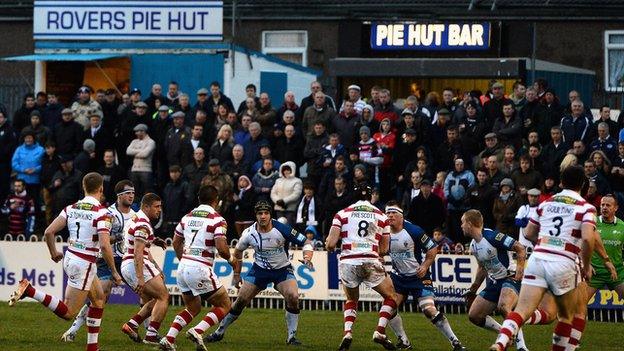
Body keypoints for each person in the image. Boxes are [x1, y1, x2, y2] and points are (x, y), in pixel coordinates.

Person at [8, 172, 121, 351]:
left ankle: (93, 347)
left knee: (99, 299)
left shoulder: (71, 208)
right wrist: (114, 272)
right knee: (69, 313)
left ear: (84, 188)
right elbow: (105, 246)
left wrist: (53, 253)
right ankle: (30, 290)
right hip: (84, 263)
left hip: (72, 256)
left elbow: (48, 232)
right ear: (101, 188)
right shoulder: (102, 213)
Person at [490, 165, 596, 351]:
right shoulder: (585, 207)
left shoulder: (546, 203)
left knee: (521, 311)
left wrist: (547, 241)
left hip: (537, 259)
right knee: (566, 316)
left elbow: (529, 232)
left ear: (561, 182)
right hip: (563, 263)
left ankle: (500, 343)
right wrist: (586, 265)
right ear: (582, 183)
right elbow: (587, 238)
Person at [205, 200, 314, 345]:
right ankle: (219, 333)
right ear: (255, 215)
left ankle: (291, 337)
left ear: (270, 215)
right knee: (240, 302)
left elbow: (306, 242)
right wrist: (237, 274)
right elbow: (237, 252)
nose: (263, 216)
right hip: (259, 270)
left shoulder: (282, 228)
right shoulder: (249, 233)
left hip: (282, 270)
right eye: (260, 213)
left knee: (293, 297)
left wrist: (307, 256)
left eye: (266, 213)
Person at [61, 180, 139, 342]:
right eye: (127, 193)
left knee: (146, 291)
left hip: (127, 259)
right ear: (119, 196)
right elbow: (102, 240)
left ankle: (146, 331)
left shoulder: (135, 215)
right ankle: (73, 330)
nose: (131, 195)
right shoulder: (108, 214)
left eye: (133, 192)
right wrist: (117, 237)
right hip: (107, 260)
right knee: (100, 297)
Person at [160, 185, 234, 350]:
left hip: (183, 267)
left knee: (193, 307)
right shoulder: (217, 219)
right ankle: (198, 330)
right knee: (224, 305)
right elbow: (222, 248)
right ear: (216, 201)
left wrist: (184, 260)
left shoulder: (187, 217)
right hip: (200, 267)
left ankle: (169, 338)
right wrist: (231, 259)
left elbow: (176, 241)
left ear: (199, 199)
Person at [384, 201, 466, 350]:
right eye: (387, 212)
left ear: (401, 215)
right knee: (389, 309)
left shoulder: (414, 231)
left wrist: (425, 265)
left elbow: (432, 248)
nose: (390, 215)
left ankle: (455, 342)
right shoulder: (383, 231)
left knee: (429, 309)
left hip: (418, 277)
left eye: (393, 212)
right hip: (398, 277)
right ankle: (404, 341)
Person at [325, 185, 398, 350]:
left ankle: (348, 333)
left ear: (353, 196)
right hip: (370, 260)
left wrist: (329, 245)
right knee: (391, 297)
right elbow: (385, 249)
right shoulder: (381, 216)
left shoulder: (342, 214)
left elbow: (330, 244)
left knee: (351, 300)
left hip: (348, 262)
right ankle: (379, 331)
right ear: (371, 197)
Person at [461, 209, 529, 351]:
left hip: (510, 278)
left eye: (462, 222)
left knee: (503, 307)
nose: (461, 226)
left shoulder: (492, 236)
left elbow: (520, 248)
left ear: (469, 224)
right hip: (494, 281)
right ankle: (503, 333)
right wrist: (473, 288)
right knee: (474, 316)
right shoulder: (473, 245)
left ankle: (521, 347)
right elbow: (482, 267)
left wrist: (520, 270)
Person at [120, 193, 169, 346]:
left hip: (127, 264)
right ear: (146, 207)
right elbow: (138, 252)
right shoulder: (143, 224)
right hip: (134, 263)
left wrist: (153, 240)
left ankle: (132, 325)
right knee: (164, 296)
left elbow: (136, 240)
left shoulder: (135, 219)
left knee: (153, 300)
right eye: (156, 206)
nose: (159, 210)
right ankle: (151, 336)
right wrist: (141, 277)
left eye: (160, 206)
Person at [586, 195, 624, 301]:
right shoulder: (592, 224)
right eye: (602, 205)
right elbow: (581, 244)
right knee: (579, 306)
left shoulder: (622, 226)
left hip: (617, 272)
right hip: (594, 272)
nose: (604, 207)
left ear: (616, 208)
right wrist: (587, 264)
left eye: (608, 205)